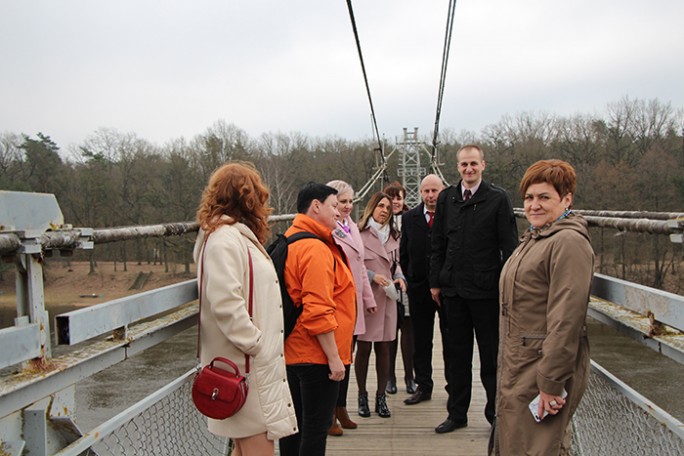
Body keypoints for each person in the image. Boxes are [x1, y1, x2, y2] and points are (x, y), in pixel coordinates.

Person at [193, 162, 298, 456]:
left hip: (247, 365)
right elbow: (225, 302)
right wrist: (257, 343)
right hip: (243, 365)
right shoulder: (225, 239)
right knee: (256, 447)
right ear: (248, 199)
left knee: (243, 447)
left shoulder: (232, 236)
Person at [492, 159, 594, 455]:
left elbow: (567, 319)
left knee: (537, 448)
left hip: (541, 369)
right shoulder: (536, 238)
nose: (534, 205)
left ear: (567, 199)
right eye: (529, 198)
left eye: (544, 197)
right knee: (517, 443)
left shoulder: (568, 243)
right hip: (519, 363)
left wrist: (550, 382)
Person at [430, 145, 519, 433]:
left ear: (483, 165)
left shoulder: (497, 199)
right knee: (456, 356)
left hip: (486, 291)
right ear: (457, 167)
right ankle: (457, 414)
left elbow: (509, 246)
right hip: (453, 290)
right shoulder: (447, 198)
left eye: (473, 164)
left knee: (491, 356)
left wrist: (509, 286)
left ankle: (495, 415)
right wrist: (435, 281)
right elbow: (437, 243)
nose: (468, 169)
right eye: (464, 164)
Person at [278, 182, 356, 456]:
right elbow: (318, 309)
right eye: (334, 206)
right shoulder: (315, 249)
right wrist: (334, 358)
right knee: (314, 429)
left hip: (292, 350)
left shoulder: (291, 239)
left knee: (293, 427)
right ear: (315, 206)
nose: (339, 213)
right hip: (316, 355)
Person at [326, 179, 376, 436]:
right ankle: (328, 415)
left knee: (346, 358)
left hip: (354, 303)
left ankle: (341, 407)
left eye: (349, 202)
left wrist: (368, 300)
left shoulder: (352, 228)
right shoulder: (328, 229)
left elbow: (360, 267)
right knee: (333, 360)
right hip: (337, 304)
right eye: (341, 202)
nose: (347, 206)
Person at [355, 192, 406, 418]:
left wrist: (401, 279)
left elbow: (397, 265)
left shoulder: (395, 236)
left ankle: (381, 397)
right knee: (364, 348)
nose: (385, 210)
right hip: (369, 298)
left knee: (385, 349)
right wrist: (373, 275)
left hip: (388, 298)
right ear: (372, 207)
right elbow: (352, 267)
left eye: (388, 207)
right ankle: (362, 396)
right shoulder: (359, 234)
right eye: (381, 206)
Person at [400, 174, 448, 406]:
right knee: (421, 340)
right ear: (420, 193)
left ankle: (455, 386)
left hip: (448, 289)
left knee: (452, 339)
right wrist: (411, 278)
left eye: (434, 191)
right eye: (426, 191)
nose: (430, 196)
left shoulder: (452, 214)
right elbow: (404, 252)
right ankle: (423, 385)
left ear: (443, 191)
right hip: (418, 288)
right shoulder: (409, 218)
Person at [383, 182, 417, 396]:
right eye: (391, 198)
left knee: (409, 330)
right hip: (386, 283)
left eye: (399, 197)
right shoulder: (376, 224)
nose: (395, 202)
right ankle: (390, 378)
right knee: (390, 333)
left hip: (409, 282)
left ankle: (409, 377)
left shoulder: (412, 221)